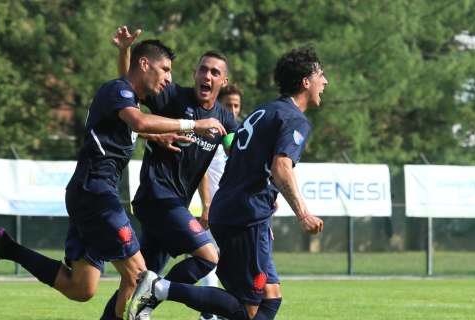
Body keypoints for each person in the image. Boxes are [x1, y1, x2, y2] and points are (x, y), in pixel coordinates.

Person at [0, 39, 226, 320]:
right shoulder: (118, 90)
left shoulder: (127, 99)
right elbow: (139, 122)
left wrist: (158, 135)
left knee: (81, 287)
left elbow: (132, 127)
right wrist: (194, 124)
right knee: (140, 278)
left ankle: (7, 247)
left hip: (89, 194)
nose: (169, 78)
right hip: (96, 193)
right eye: (165, 69)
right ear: (145, 64)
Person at [128, 47, 327, 320]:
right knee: (245, 309)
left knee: (271, 297)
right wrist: (302, 214)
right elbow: (282, 167)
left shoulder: (265, 111)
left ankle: (160, 289)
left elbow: (240, 162)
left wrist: (264, 212)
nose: (324, 82)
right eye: (321, 75)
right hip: (243, 216)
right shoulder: (294, 119)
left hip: (240, 212)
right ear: (306, 81)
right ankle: (161, 288)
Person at [109, 26, 238, 320]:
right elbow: (128, 88)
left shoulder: (225, 119)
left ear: (223, 81)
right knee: (208, 256)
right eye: (203, 69)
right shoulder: (172, 97)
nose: (207, 76)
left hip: (173, 205)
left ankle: (133, 304)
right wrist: (124, 51)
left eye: (215, 73)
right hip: (157, 197)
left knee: (137, 278)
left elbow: (239, 153)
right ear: (195, 73)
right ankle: (154, 297)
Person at [195, 84, 243, 320]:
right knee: (208, 261)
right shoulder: (212, 133)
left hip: (233, 212)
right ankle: (208, 312)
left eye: (236, 106)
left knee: (230, 265)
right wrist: (206, 205)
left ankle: (217, 310)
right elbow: (202, 172)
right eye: (228, 105)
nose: (232, 110)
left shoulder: (239, 138)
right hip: (212, 209)